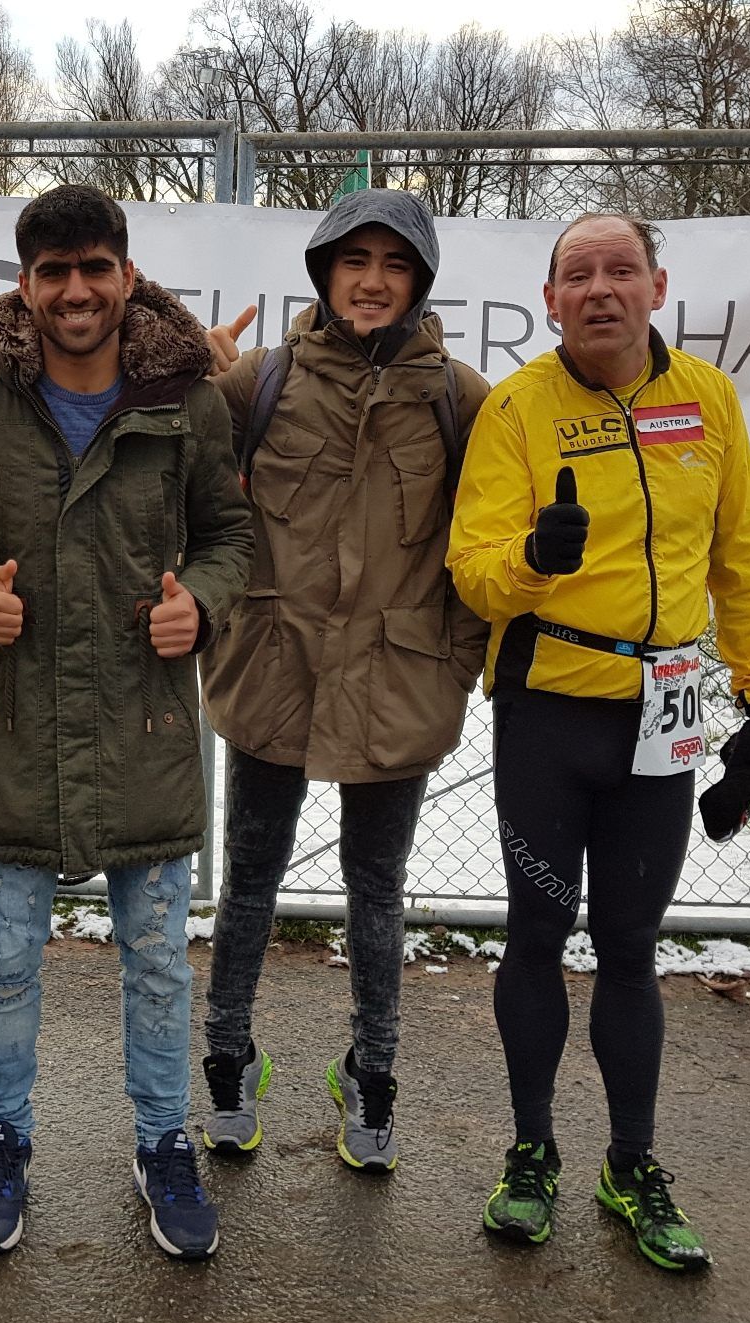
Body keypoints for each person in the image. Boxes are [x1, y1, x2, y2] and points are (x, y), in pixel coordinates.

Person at [448, 212, 750, 1271]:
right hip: (548, 710)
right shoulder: (515, 408)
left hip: (665, 711)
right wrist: (532, 560)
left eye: (619, 270)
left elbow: (742, 555)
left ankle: (631, 1160)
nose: (600, 289)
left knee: (633, 947)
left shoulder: (708, 397)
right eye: (576, 275)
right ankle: (530, 1151)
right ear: (548, 301)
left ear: (656, 285)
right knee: (539, 933)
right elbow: (471, 564)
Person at [0, 185, 253, 1261]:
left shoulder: (188, 400)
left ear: (125, 272)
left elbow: (231, 532)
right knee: (6, 959)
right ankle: (1, 1133)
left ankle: (164, 1140)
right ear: (25, 285)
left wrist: (197, 602)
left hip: (144, 732)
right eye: (53, 271)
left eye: (94, 267)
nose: (75, 290)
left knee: (159, 962)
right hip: (18, 727)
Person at [194, 189, 490, 1171]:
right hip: (272, 669)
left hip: (399, 684)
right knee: (249, 879)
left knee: (376, 886)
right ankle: (228, 1066)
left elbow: (486, 540)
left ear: (418, 281)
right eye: (352, 259)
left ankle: (373, 1080)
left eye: (393, 263)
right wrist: (184, 374)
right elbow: (177, 475)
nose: (370, 280)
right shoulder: (260, 382)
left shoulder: (459, 396)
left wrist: (455, 657)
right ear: (323, 273)